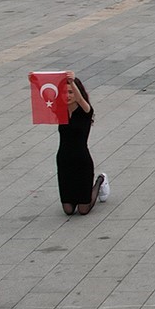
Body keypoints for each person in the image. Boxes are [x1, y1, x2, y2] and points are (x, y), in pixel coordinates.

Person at [55, 72, 109, 214]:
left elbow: (79, 98)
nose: (68, 96)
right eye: (65, 92)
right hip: (64, 160)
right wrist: (35, 81)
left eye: (71, 92)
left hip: (81, 161)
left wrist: (71, 81)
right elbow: (45, 95)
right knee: (68, 210)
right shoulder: (61, 111)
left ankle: (100, 180)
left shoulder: (86, 111)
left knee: (83, 210)